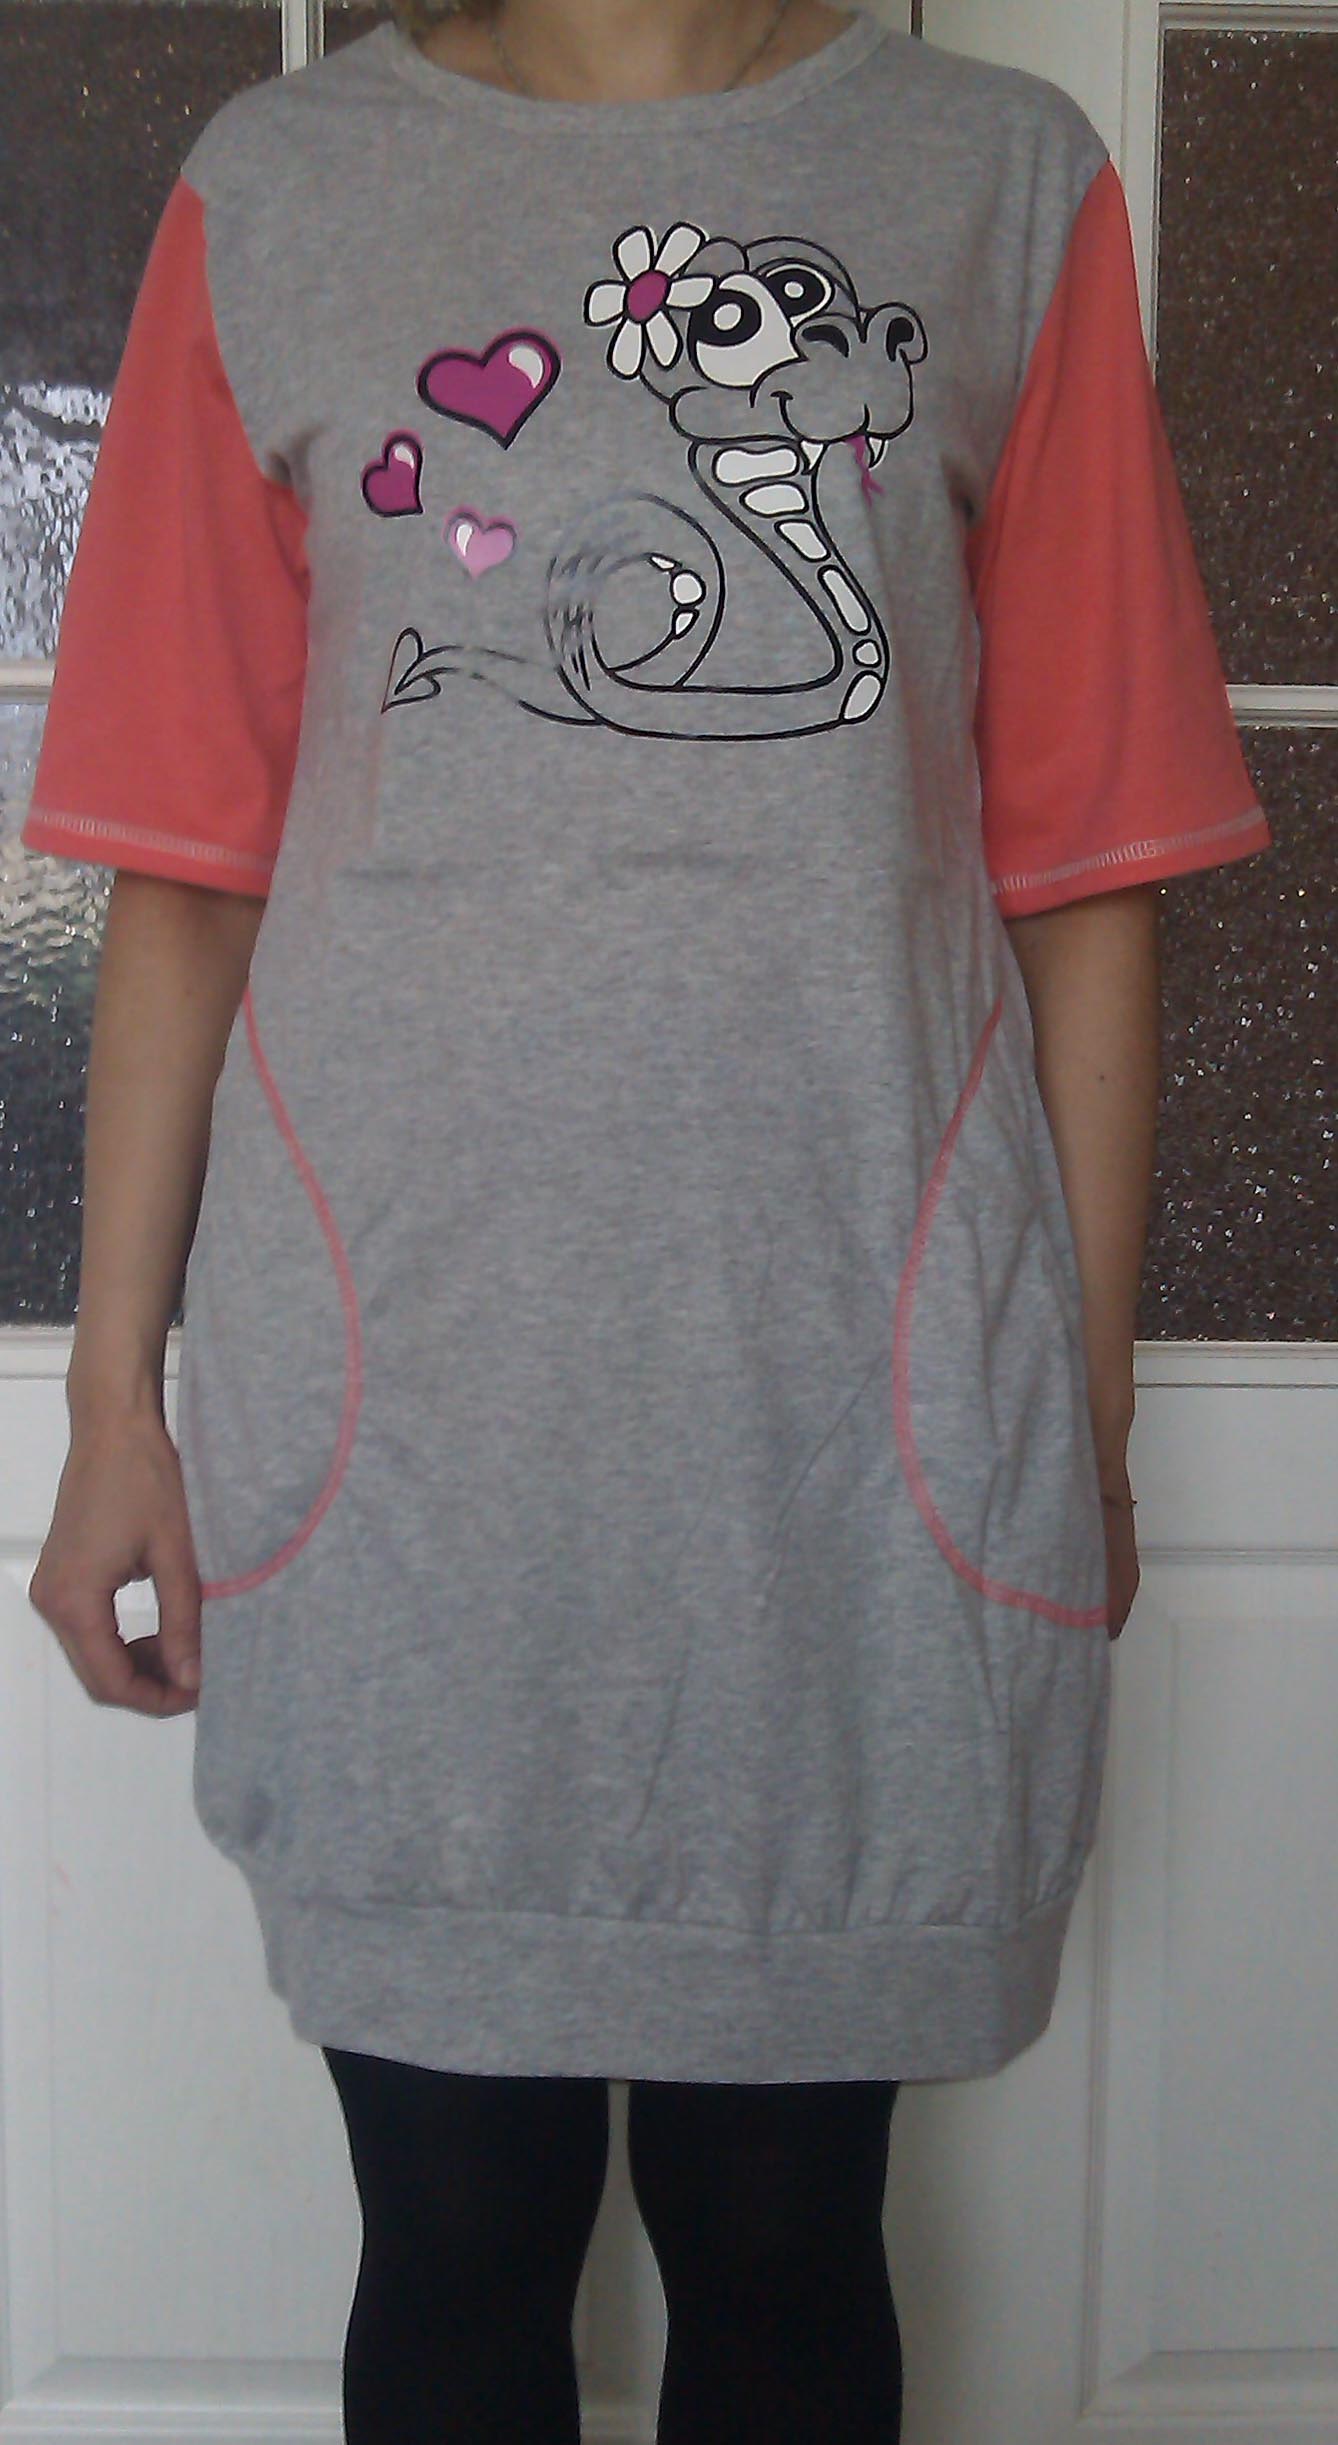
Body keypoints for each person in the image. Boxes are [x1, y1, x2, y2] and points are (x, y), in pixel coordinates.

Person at [23, 0, 1272, 2434]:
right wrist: (109, 1403)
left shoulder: (998, 179)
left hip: (854, 1399)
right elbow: (186, 857)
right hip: (412, 1405)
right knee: (456, 2228)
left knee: (789, 2236)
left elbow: (1087, 872)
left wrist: (1086, 1422)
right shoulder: (278, 189)